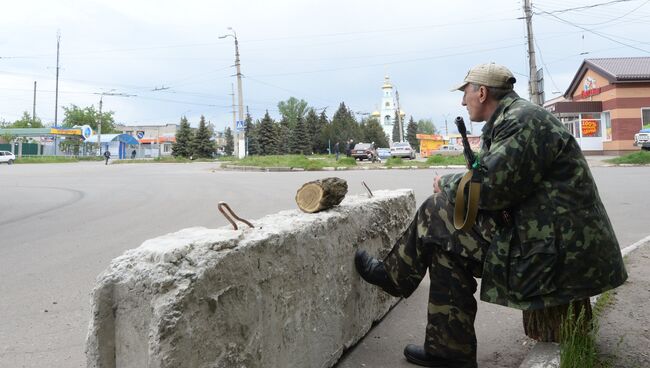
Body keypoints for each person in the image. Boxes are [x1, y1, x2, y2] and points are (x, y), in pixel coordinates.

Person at [354, 62, 627, 368]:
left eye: (465, 93)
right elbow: (493, 177)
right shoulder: (511, 120)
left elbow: (493, 188)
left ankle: (393, 276)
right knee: (445, 245)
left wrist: (444, 183)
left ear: (482, 93)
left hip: (558, 253)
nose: (462, 101)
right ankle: (448, 351)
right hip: (543, 241)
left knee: (437, 210)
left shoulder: (522, 121)